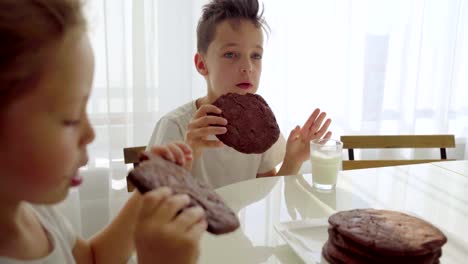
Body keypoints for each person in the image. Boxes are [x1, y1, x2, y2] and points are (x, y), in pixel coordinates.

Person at [0, 1, 206, 263]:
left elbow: (93, 259)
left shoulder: (36, 213)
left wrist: (149, 190)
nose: (91, 134)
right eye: (71, 118)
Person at [148, 0, 332, 188]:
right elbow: (152, 209)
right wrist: (188, 156)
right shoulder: (175, 127)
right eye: (231, 54)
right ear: (202, 64)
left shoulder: (258, 125)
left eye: (256, 56)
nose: (248, 68)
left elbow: (265, 194)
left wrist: (293, 160)